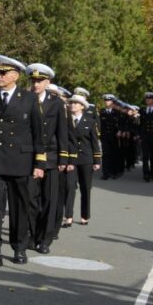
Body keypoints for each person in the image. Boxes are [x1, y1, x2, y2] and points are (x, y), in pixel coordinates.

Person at [0, 55, 45, 268]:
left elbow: (38, 133)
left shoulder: (29, 99)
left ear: (15, 75)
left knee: (19, 208)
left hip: (20, 161)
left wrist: (39, 163)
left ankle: (19, 247)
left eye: (3, 73)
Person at [25, 64, 68, 255]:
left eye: (40, 81)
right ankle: (32, 235)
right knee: (31, 199)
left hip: (51, 156)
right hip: (29, 157)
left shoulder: (56, 103)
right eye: (33, 81)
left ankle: (45, 239)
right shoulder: (25, 100)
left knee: (49, 200)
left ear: (47, 82)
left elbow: (62, 132)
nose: (36, 84)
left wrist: (63, 158)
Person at [64, 95, 101, 226]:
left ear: (82, 106)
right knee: (69, 187)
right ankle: (68, 216)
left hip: (86, 159)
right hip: (70, 160)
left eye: (76, 103)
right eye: (71, 103)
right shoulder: (65, 121)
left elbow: (95, 142)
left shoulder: (90, 122)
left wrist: (97, 160)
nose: (72, 105)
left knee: (85, 188)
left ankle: (85, 215)